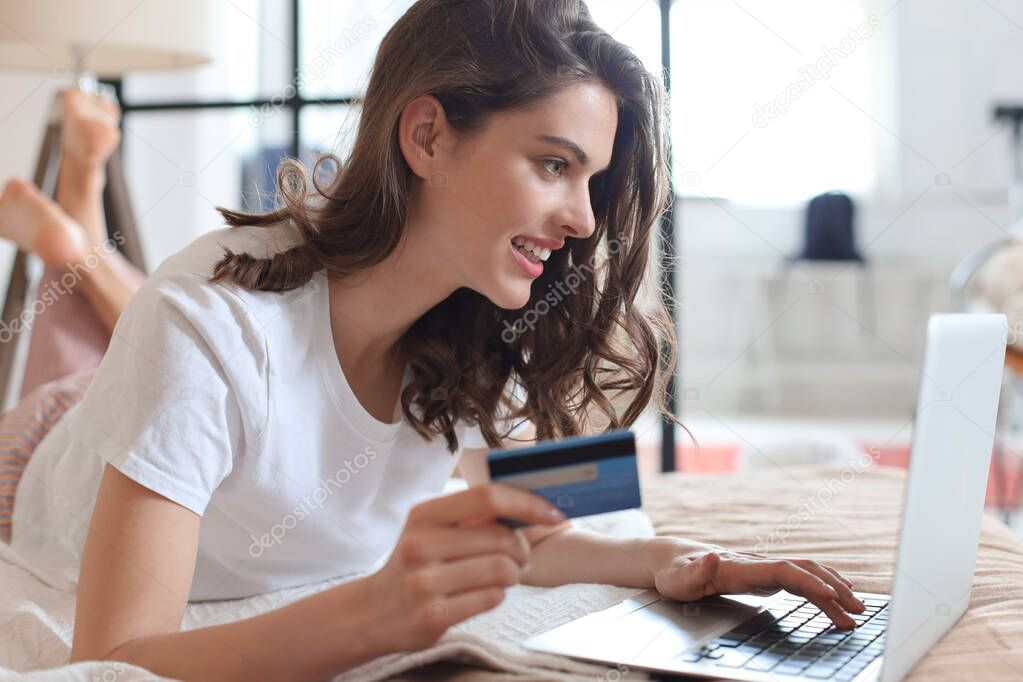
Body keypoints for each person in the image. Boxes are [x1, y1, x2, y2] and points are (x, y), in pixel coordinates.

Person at [0, 1, 865, 679]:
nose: (582, 218)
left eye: (592, 179)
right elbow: (111, 662)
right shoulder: (208, 320)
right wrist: (371, 613)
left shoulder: (472, 319)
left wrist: (674, 560)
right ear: (426, 137)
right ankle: (74, 232)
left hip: (211, 428)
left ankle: (77, 222)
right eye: (554, 164)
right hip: (38, 452)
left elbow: (512, 532)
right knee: (150, 325)